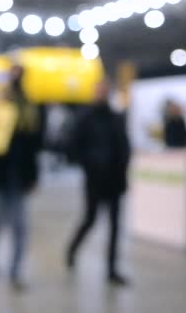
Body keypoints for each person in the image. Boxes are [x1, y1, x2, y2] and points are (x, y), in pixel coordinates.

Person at [0, 65, 44, 290]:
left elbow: (34, 145)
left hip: (18, 176)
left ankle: (15, 272)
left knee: (20, 226)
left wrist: (33, 176)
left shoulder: (29, 108)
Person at [66, 79, 131, 286]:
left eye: (104, 90)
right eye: (99, 90)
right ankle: (72, 250)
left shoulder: (116, 118)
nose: (102, 94)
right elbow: (73, 147)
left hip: (114, 179)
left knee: (114, 226)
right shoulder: (85, 118)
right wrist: (89, 164)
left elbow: (124, 145)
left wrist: (123, 166)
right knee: (90, 219)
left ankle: (111, 270)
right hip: (95, 179)